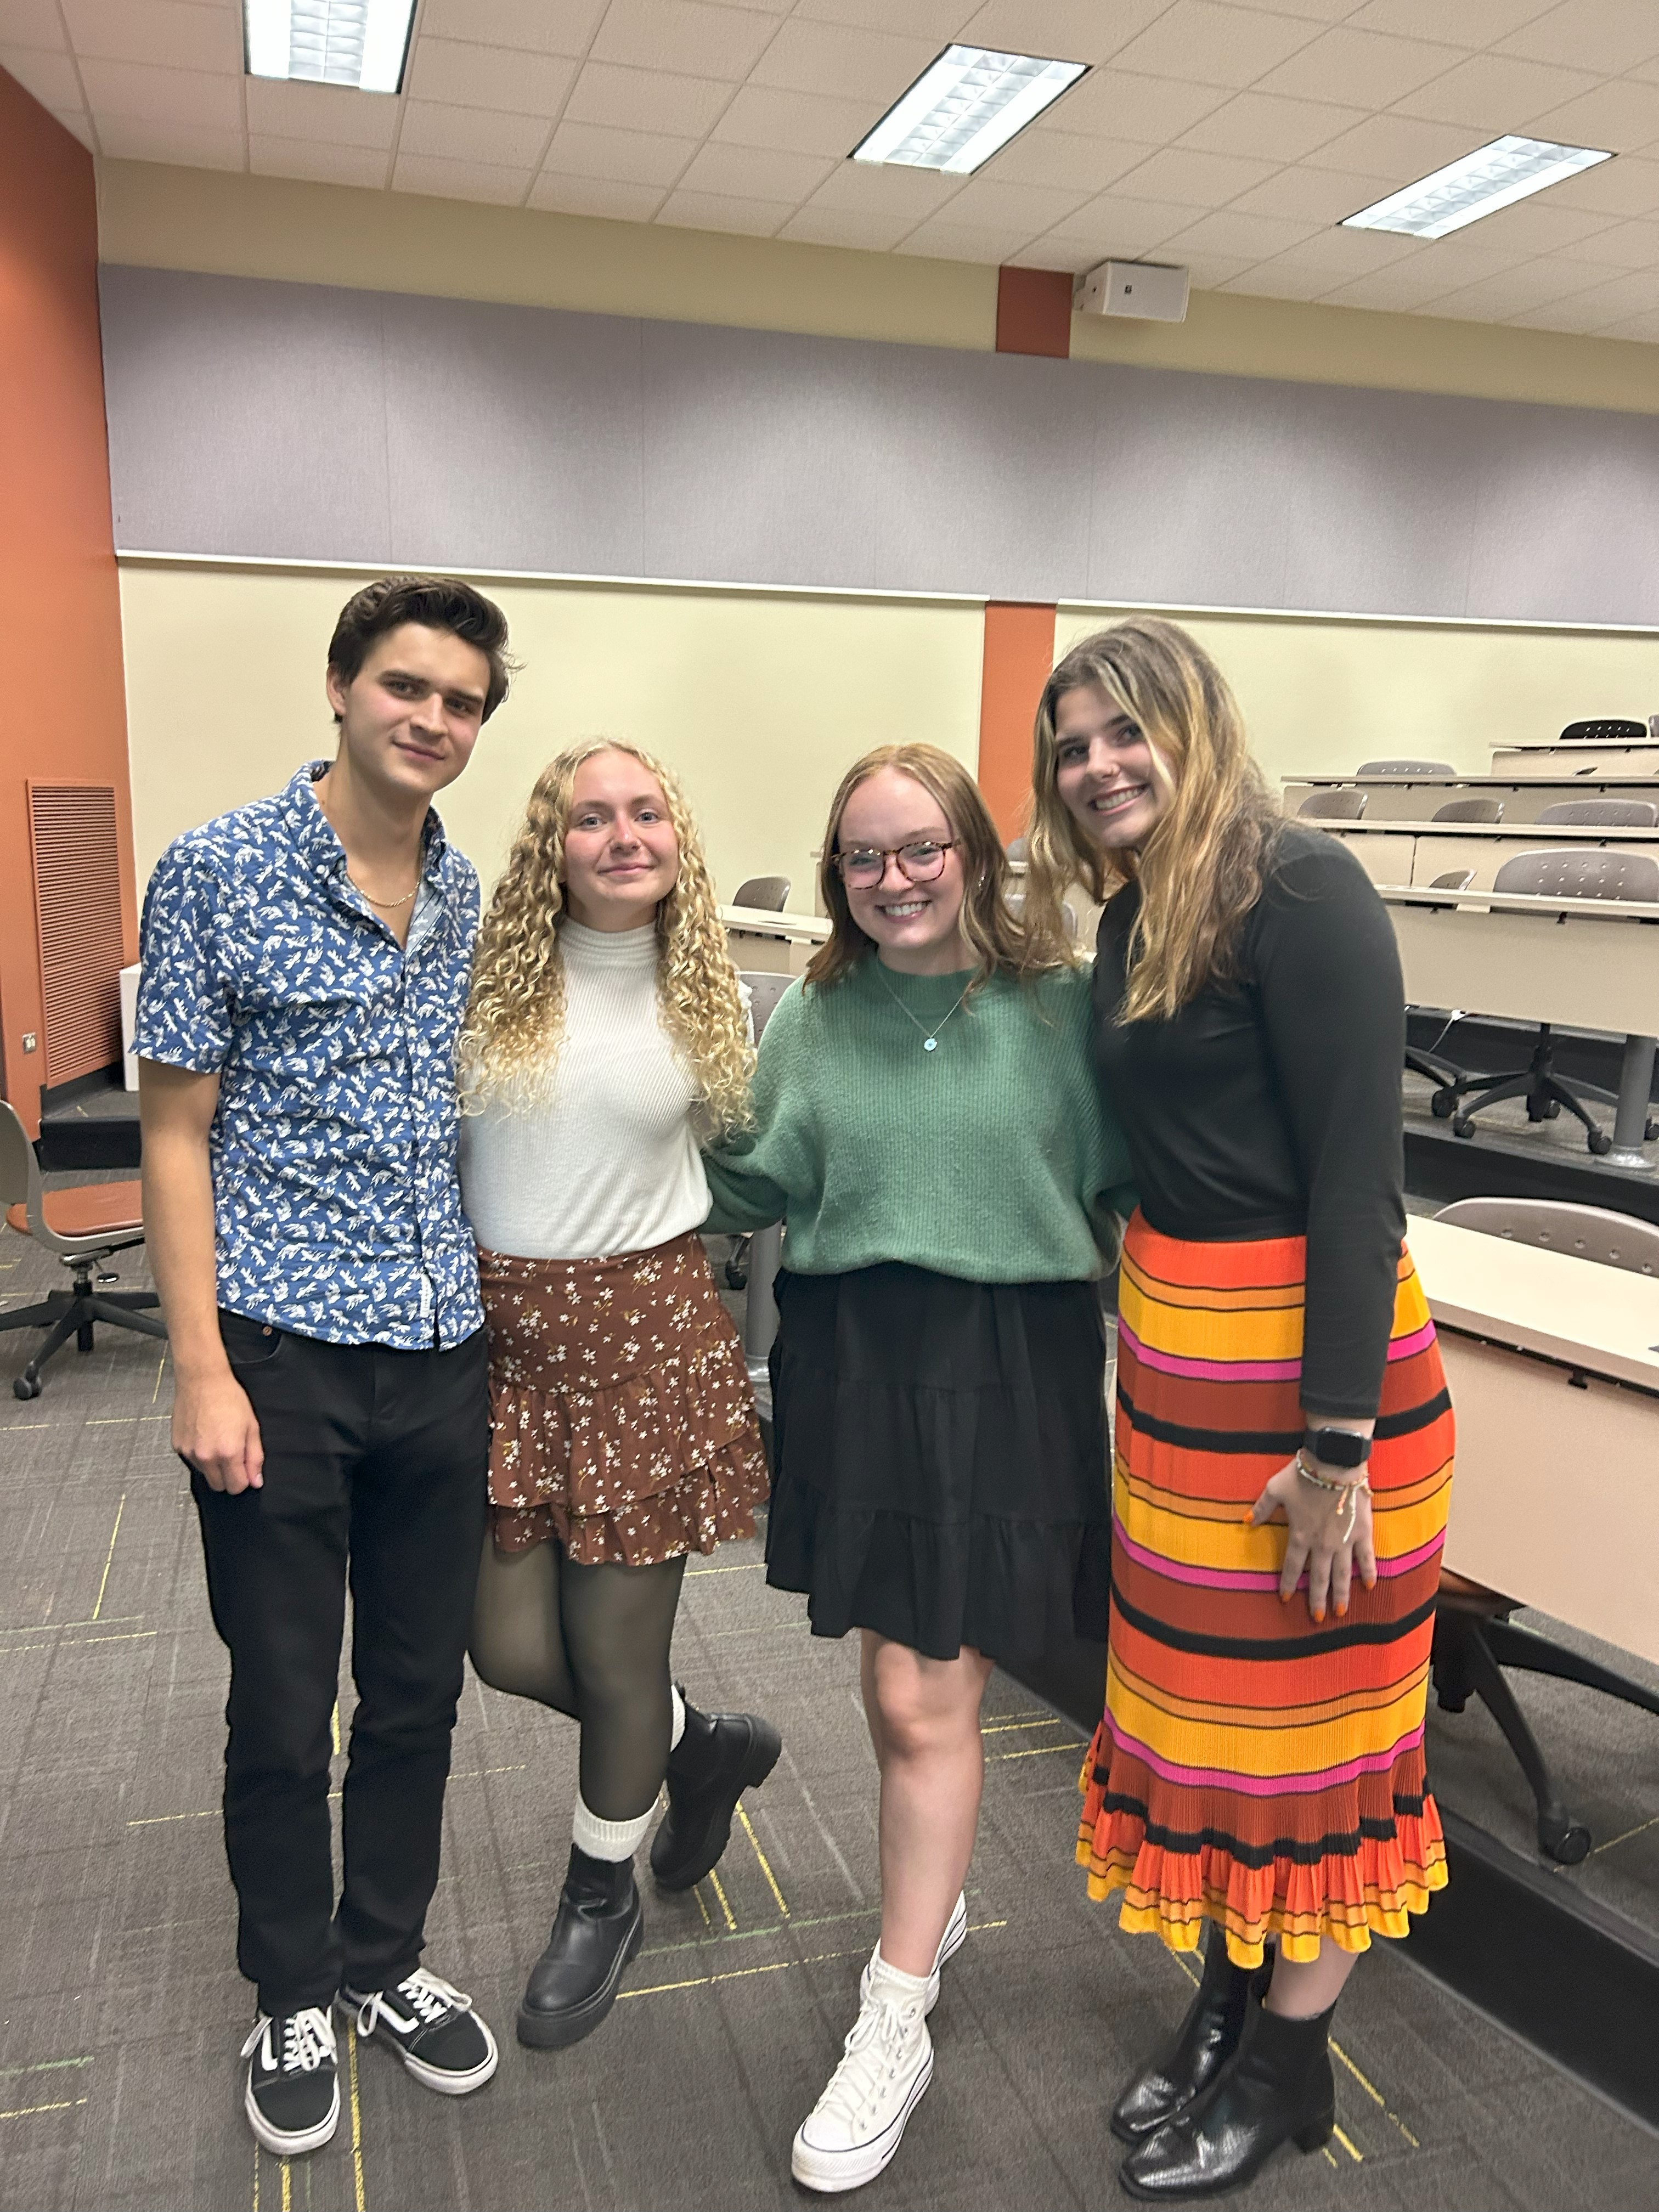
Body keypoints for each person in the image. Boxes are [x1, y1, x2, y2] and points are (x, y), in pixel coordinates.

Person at [1025, 617, 1454, 2201]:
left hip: (1316, 1389)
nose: (1096, 767)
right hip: (1186, 1366)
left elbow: (1363, 1184)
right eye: (1071, 748)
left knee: (1323, 1747)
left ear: (1193, 726)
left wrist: (1337, 1444)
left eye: (1123, 732)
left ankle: (1286, 2060)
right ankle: (1229, 2003)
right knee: (1213, 1734)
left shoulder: (1301, 887)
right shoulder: (1136, 917)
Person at [703, 742, 1135, 2196]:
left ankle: (899, 2014)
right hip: (848, 1353)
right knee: (894, 1674)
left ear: (975, 852)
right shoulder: (815, 1016)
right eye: (862, 859)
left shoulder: (1059, 1010)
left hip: (1003, 1355)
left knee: (917, 1682)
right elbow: (752, 1177)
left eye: (919, 849)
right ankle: (926, 1897)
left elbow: (1136, 1186)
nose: (891, 881)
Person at [137, 576, 514, 2158]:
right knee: (286, 1706)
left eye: (465, 703)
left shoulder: (472, 889)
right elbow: (171, 1134)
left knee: (418, 1695)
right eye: (407, 687)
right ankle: (290, 1985)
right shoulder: (216, 871)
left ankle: (387, 1960)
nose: (433, 719)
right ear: (345, 688)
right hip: (280, 1360)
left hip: (441, 1354)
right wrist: (199, 1369)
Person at [459, 738, 778, 2051]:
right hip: (502, 1344)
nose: (623, 835)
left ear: (677, 837)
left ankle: (602, 1890)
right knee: (509, 1649)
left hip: (647, 1338)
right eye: (592, 817)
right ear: (552, 843)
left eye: (647, 812)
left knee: (614, 1651)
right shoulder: (481, 980)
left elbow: (765, 1168)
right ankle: (695, 1751)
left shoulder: (708, 996)